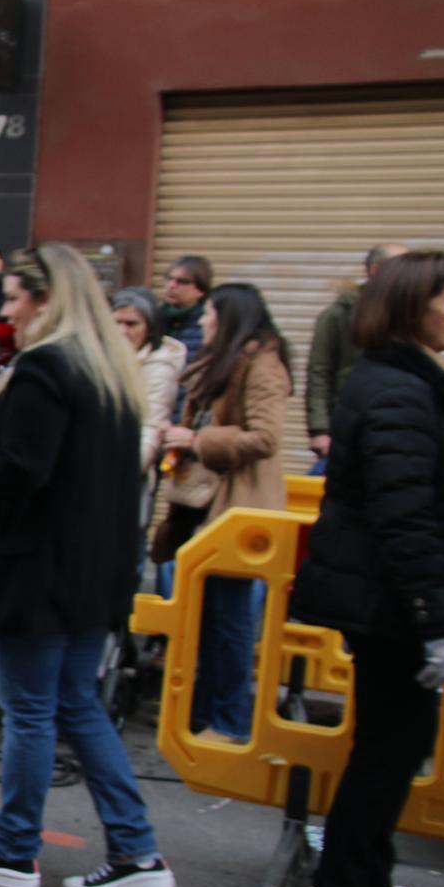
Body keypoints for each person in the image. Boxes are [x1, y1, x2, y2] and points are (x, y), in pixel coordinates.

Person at [0, 244, 176, 887]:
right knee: (75, 706)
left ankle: (15, 848)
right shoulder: (110, 371)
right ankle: (134, 846)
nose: (7, 310)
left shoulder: (46, 368)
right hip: (92, 572)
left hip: (37, 570)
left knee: (31, 711)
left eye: (15, 297)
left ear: (47, 299)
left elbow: (21, 472)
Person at [290, 250, 444, 887]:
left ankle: (365, 879)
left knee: (397, 744)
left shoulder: (409, 382)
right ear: (410, 306)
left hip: (394, 600)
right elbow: (404, 515)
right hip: (392, 604)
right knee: (389, 748)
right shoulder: (396, 388)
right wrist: (437, 620)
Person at [157, 283, 291, 743]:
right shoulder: (223, 362)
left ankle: (229, 720)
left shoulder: (262, 365)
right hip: (203, 504)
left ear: (230, 317)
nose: (203, 322)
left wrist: (196, 441)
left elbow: (265, 438)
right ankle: (201, 712)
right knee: (207, 616)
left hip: (237, 509)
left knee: (230, 621)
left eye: (210, 313)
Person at [307, 243, 407, 473]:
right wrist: (320, 430)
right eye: (400, 267)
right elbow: (319, 372)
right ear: (375, 271)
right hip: (347, 427)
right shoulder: (338, 315)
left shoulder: (409, 314)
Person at [111, 287, 186, 481]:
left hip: (124, 475)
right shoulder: (102, 357)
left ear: (150, 328)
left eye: (131, 324)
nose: (122, 331)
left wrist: (122, 474)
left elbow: (151, 428)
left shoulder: (160, 366)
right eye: (116, 323)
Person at [160, 255, 214, 363]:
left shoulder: (207, 324)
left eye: (182, 281)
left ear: (200, 290)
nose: (172, 285)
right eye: (169, 279)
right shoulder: (154, 317)